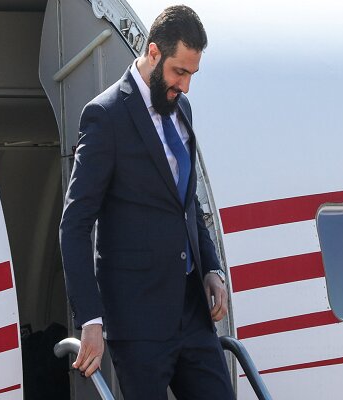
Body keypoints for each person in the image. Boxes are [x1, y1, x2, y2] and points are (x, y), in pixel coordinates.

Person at [59, 5, 234, 399]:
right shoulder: (105, 116)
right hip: (138, 321)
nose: (185, 86)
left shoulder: (181, 108)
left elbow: (186, 201)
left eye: (192, 74)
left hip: (191, 311)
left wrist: (211, 267)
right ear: (153, 53)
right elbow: (74, 225)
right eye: (179, 72)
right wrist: (90, 318)